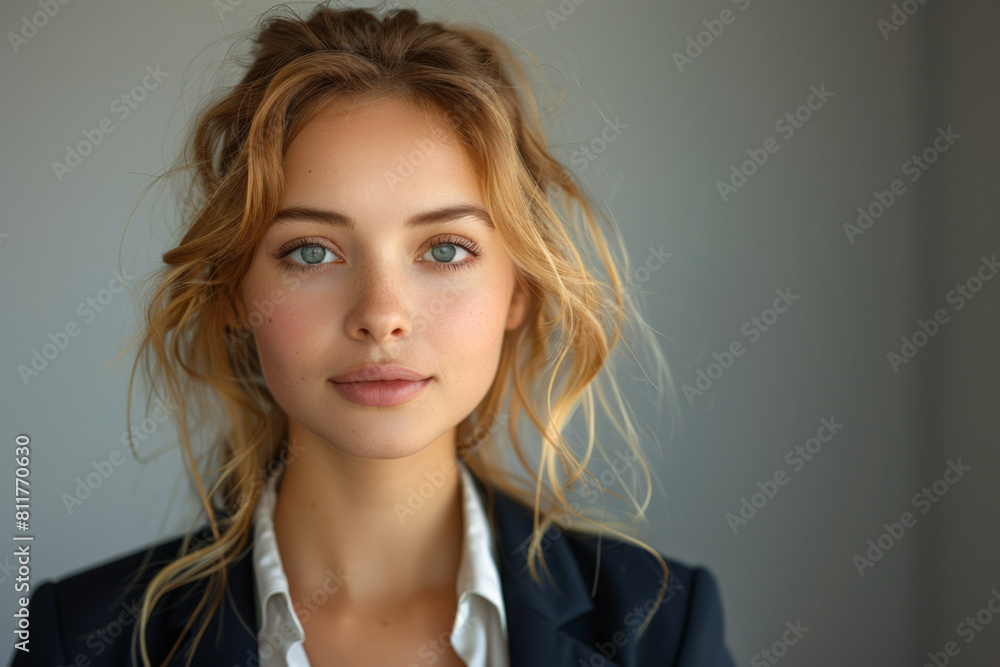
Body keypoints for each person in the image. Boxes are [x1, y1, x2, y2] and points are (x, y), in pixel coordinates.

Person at [11, 3, 736, 666]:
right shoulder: (73, 637)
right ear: (233, 291)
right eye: (311, 251)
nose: (381, 314)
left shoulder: (660, 627)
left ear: (521, 286)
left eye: (445, 249)